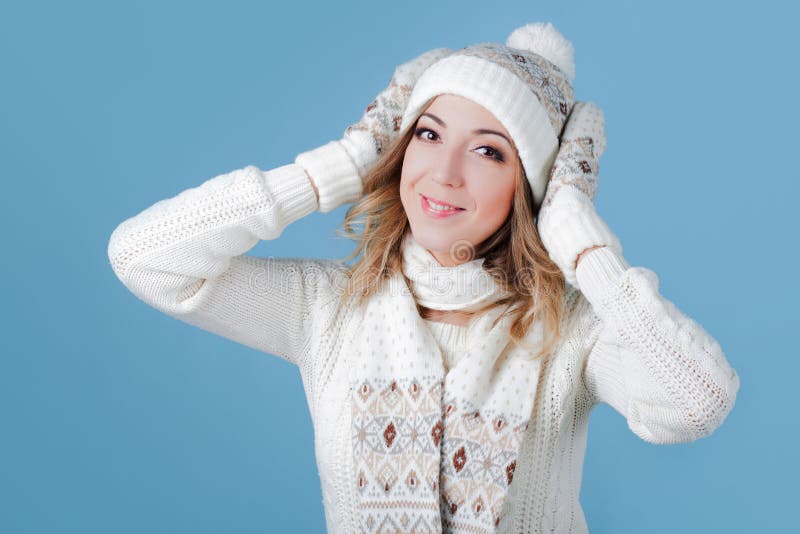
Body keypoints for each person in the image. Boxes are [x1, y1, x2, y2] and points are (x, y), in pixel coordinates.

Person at [107, 22, 740, 534]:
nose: (444, 172)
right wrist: (340, 163)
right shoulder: (329, 308)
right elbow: (143, 258)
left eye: (488, 150)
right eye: (428, 134)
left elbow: (698, 401)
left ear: (533, 189)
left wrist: (580, 239)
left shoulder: (571, 333)